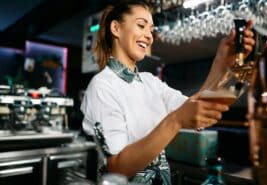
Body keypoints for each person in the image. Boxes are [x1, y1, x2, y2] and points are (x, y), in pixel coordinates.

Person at [80, 0, 256, 184]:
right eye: (141, 25)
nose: (149, 35)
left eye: (151, 30)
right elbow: (117, 167)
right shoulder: (102, 86)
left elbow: (199, 110)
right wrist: (175, 120)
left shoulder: (150, 82)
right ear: (116, 28)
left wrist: (224, 62)